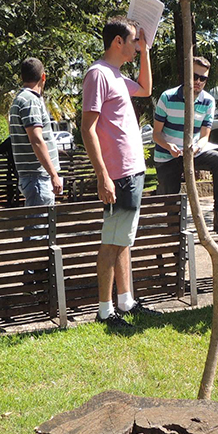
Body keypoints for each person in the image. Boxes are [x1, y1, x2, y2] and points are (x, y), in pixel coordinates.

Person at [81, 17, 161, 328]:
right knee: (111, 242)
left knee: (123, 240)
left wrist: (146, 51)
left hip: (132, 170)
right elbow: (87, 129)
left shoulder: (115, 75)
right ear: (118, 42)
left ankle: (126, 301)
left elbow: (145, 88)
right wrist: (103, 176)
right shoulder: (98, 74)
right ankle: (104, 310)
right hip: (118, 174)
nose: (135, 45)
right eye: (132, 41)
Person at [152, 56, 218, 235]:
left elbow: (205, 136)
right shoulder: (167, 97)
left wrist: (198, 146)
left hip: (192, 152)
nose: (198, 81)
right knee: (173, 207)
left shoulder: (208, 101)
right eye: (194, 76)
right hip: (168, 155)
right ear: (186, 75)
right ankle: (173, 234)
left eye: (203, 78)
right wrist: (170, 146)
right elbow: (156, 134)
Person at [8, 57, 62, 207]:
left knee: (40, 226)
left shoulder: (20, 99)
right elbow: (36, 140)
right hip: (38, 177)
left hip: (34, 177)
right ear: (43, 77)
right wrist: (53, 174)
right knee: (39, 227)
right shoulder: (29, 100)